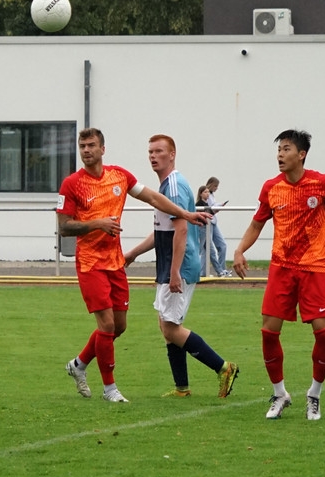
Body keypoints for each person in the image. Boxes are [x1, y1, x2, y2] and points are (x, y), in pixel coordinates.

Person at [58, 128, 211, 403]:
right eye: (82, 146)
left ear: (103, 149)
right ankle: (110, 389)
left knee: (118, 326)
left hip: (115, 263)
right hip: (90, 263)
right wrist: (97, 224)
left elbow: (153, 197)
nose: (86, 150)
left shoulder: (119, 176)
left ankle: (78, 364)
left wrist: (185, 213)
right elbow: (64, 227)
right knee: (106, 325)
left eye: (91, 145)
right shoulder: (72, 184)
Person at [232, 129, 325, 421]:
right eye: (279, 149)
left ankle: (314, 394)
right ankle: (279, 394)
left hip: (314, 268)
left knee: (323, 332)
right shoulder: (271, 187)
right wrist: (239, 250)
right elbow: (256, 225)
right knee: (268, 331)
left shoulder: (321, 183)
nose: (280, 155)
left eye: (286, 149)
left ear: (301, 154)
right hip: (282, 268)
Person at [123, 135, 239, 398]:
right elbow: (162, 231)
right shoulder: (167, 185)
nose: (153, 156)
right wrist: (133, 253)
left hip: (179, 266)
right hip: (171, 265)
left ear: (172, 154)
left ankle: (224, 368)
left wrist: (175, 272)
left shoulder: (174, 186)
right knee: (167, 325)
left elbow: (181, 230)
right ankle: (182, 388)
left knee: (170, 328)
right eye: (150, 152)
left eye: (159, 151)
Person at [205, 176, 231, 277]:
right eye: (215, 186)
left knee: (222, 245)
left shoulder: (212, 195)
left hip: (213, 222)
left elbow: (213, 205)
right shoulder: (207, 194)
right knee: (209, 249)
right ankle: (216, 270)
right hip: (208, 222)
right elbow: (209, 207)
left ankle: (222, 269)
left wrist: (219, 205)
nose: (216, 188)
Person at [195, 185, 211, 276]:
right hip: (201, 227)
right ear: (200, 194)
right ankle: (198, 271)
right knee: (200, 250)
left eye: (208, 192)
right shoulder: (199, 204)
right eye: (205, 192)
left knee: (209, 250)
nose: (207, 194)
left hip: (206, 228)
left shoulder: (206, 204)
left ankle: (204, 272)